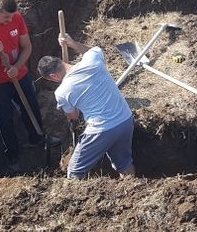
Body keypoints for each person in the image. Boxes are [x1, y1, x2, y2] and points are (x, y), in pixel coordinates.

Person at [0, 0, 60, 173]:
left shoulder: (17, 18)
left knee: (31, 107)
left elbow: (27, 47)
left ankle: (38, 139)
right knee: (4, 119)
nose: (11, 20)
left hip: (19, 74)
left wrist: (16, 67)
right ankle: (12, 156)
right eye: (6, 18)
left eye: (12, 17)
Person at [37, 34, 135, 179]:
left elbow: (74, 116)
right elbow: (93, 50)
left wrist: (71, 114)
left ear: (54, 76)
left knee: (74, 172)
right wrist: (72, 43)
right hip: (126, 119)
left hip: (102, 129)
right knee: (124, 164)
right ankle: (131, 188)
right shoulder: (93, 59)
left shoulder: (62, 92)